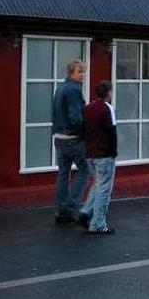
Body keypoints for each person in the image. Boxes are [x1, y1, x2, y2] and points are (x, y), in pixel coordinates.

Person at [52, 59, 89, 224]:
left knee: (63, 174)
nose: (83, 75)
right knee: (85, 170)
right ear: (71, 73)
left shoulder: (59, 88)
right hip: (73, 138)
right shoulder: (74, 90)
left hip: (58, 138)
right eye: (80, 71)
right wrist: (85, 133)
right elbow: (76, 117)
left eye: (83, 71)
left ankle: (62, 209)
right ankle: (71, 204)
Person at [78, 80, 118, 235]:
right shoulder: (108, 108)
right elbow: (112, 132)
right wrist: (113, 153)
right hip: (104, 154)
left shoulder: (88, 108)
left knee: (97, 184)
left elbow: (83, 130)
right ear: (108, 93)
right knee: (104, 190)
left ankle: (86, 210)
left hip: (90, 154)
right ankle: (98, 224)